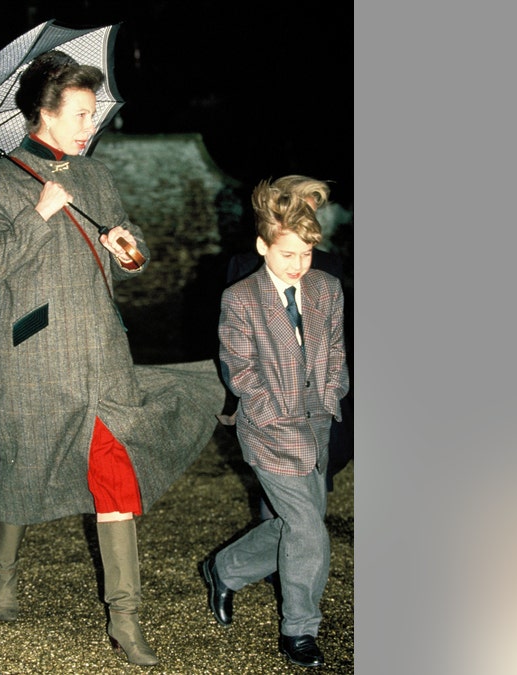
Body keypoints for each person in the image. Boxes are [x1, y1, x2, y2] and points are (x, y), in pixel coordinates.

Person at [0, 50, 224, 667]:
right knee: (26, 469)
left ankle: (125, 620)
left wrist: (127, 249)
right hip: (35, 355)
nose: (89, 125)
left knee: (116, 476)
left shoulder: (98, 177)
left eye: (92, 113)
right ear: (42, 114)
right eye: (79, 114)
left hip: (102, 352)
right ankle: (3, 565)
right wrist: (38, 212)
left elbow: (131, 257)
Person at [200, 176, 350, 668]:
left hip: (318, 423)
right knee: (308, 528)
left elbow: (335, 352)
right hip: (269, 430)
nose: (298, 265)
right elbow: (239, 370)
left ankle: (224, 569)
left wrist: (332, 394)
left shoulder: (327, 289)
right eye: (288, 255)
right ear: (263, 246)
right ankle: (300, 631)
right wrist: (270, 411)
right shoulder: (241, 299)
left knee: (297, 523)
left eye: (306, 254)